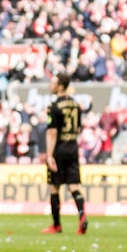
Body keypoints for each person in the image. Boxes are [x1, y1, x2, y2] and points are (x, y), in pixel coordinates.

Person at [43, 71, 87, 234]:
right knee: (74, 185)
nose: (50, 85)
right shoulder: (76, 105)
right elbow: (78, 127)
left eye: (53, 83)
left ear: (60, 86)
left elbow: (52, 132)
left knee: (54, 187)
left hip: (59, 148)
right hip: (73, 147)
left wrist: (49, 155)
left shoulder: (54, 106)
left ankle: (56, 225)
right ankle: (82, 215)